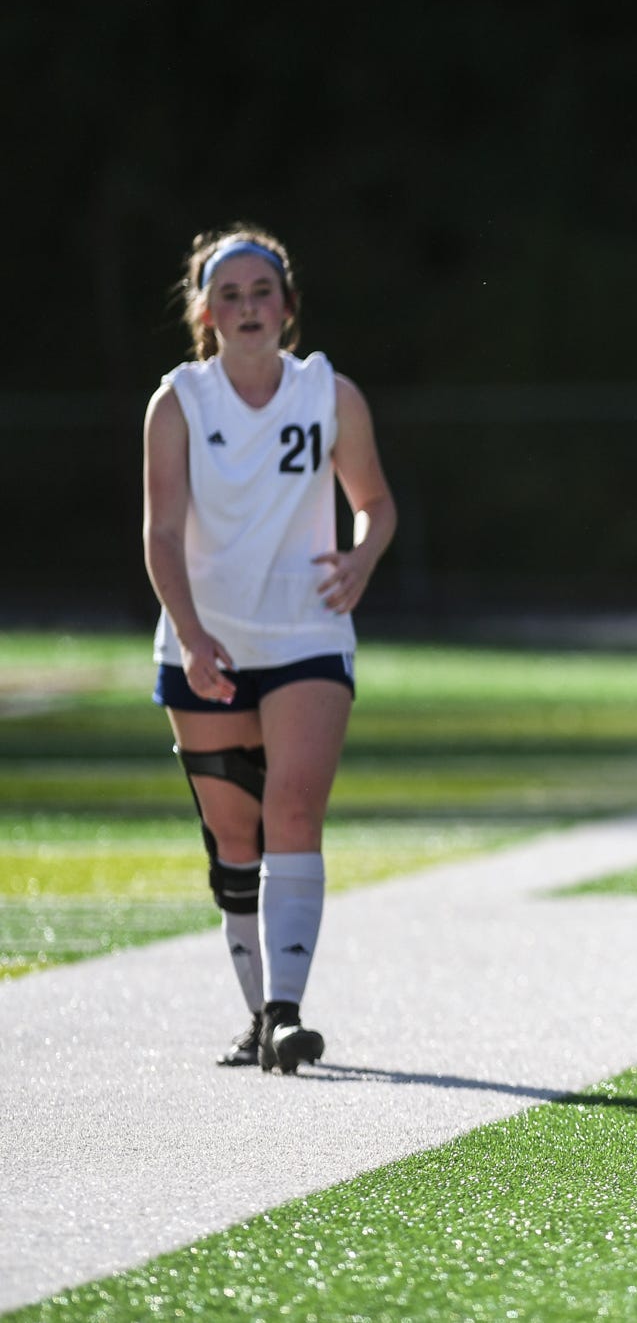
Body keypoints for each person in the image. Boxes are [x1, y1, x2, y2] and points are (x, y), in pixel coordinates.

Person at [142, 224, 396, 1073]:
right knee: (233, 835)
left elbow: (375, 504)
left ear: (287, 306)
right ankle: (255, 1013)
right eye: (230, 295)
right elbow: (163, 532)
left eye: (262, 292)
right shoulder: (179, 400)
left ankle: (287, 1013)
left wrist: (361, 556)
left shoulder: (330, 393)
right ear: (205, 311)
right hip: (203, 632)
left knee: (292, 808)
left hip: (306, 629)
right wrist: (190, 630)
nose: (247, 307)